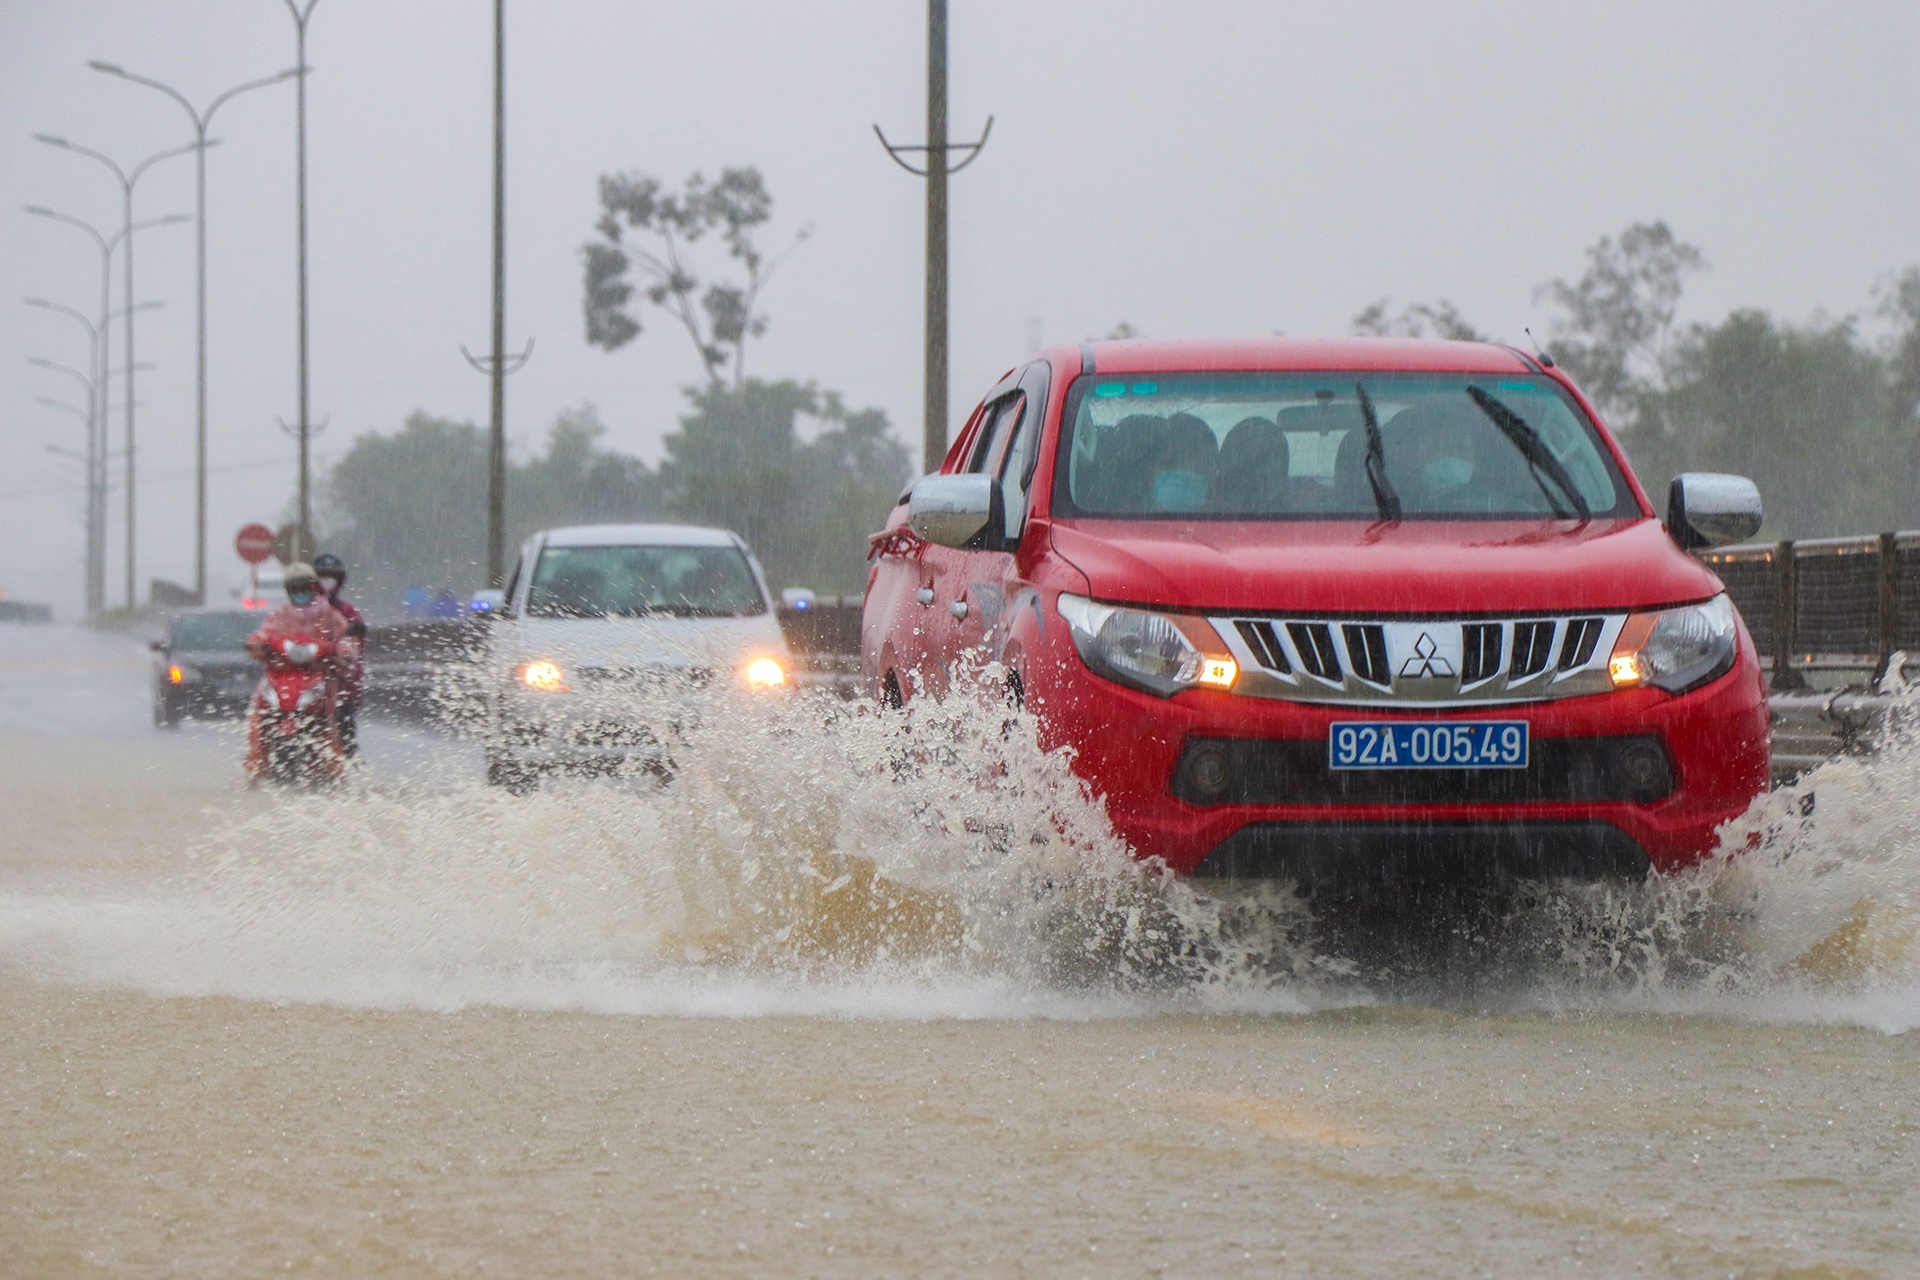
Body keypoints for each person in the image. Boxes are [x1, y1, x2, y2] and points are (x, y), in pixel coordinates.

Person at [244, 563, 349, 782]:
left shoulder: (328, 615)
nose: (300, 592)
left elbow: (344, 639)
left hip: (318, 678)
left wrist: (342, 651)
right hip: (280, 677)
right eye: (295, 587)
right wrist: (258, 643)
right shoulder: (279, 615)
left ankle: (334, 766)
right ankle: (256, 760)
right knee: (259, 714)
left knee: (327, 720)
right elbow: (263, 634)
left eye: (304, 586)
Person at [313, 552, 367, 756]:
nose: (327, 583)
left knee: (345, 725)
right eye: (322, 578)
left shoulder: (347, 611)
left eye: (331, 578)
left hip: (338, 680)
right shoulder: (297, 610)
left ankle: (347, 757)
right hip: (304, 677)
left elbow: (356, 645)